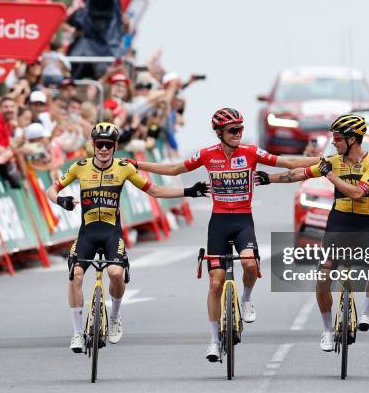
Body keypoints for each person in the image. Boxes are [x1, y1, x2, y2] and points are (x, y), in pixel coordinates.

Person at [127, 108, 322, 361]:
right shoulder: (208, 155)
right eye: (233, 130)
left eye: (241, 129)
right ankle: (212, 340)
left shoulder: (250, 152)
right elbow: (175, 170)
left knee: (250, 263)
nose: (239, 133)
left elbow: (288, 163)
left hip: (243, 220)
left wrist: (322, 161)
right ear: (219, 133)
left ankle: (247, 299)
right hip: (218, 222)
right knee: (216, 281)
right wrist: (138, 164)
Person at [45, 122, 209, 353]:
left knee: (115, 273)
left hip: (111, 233)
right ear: (93, 145)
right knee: (76, 275)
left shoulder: (124, 168)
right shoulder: (79, 167)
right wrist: (60, 200)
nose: (104, 149)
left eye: (108, 145)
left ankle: (114, 316)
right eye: (100, 144)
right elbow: (50, 191)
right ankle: (76, 333)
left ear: (115, 147)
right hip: (87, 233)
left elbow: (155, 191)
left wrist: (189, 191)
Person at [255, 114, 369, 352]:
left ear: (353, 139)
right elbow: (298, 174)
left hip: (364, 226)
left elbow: (357, 193)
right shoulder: (333, 161)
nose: (334, 142)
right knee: (323, 276)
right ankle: (327, 330)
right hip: (338, 224)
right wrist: (268, 179)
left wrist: (330, 175)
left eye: (337, 138)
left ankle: (366, 314)